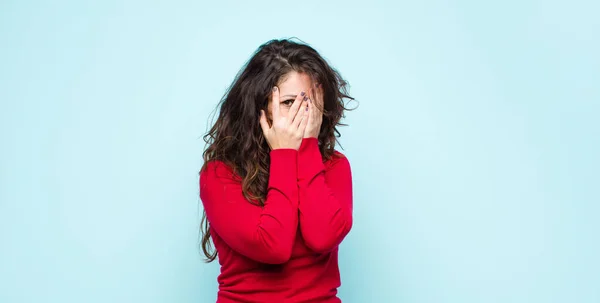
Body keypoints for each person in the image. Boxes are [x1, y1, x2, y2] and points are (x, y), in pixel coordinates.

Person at [199, 38, 354, 303]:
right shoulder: (220, 174)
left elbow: (322, 236)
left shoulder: (335, 166)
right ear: (259, 109)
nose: (301, 115)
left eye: (309, 102)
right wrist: (283, 154)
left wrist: (305, 149)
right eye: (288, 102)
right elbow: (273, 246)